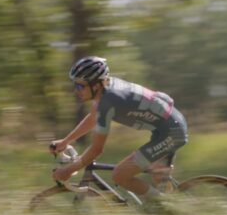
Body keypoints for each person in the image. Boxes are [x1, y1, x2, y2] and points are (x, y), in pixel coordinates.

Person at [51, 56, 188, 203]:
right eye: (75, 85)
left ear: (95, 85)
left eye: (80, 86)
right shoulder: (105, 89)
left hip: (171, 131)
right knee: (158, 175)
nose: (76, 91)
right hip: (166, 126)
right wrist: (66, 141)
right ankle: (168, 205)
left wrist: (68, 171)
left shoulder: (107, 101)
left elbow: (97, 149)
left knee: (120, 175)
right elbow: (93, 118)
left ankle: (168, 208)